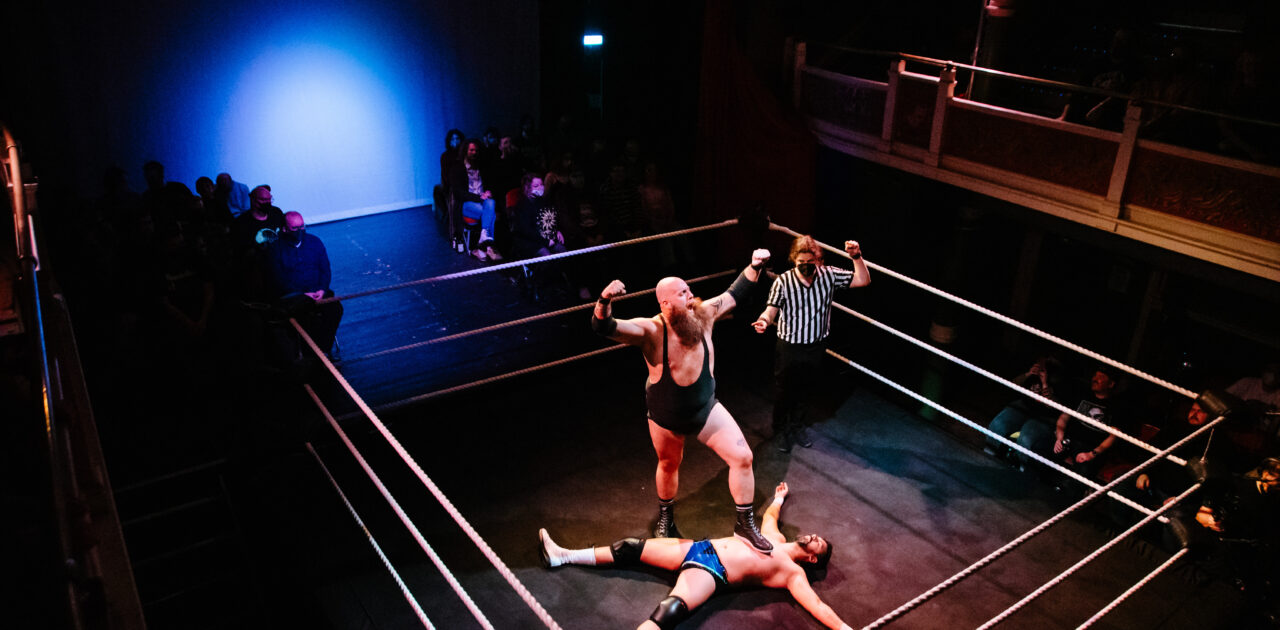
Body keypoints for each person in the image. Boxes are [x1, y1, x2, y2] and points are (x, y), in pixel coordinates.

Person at [592, 248, 775, 552]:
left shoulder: (704, 314)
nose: (690, 296)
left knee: (743, 457)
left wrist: (755, 265)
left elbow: (734, 294)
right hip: (665, 414)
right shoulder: (651, 330)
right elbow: (604, 327)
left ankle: (744, 525)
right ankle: (666, 517)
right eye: (682, 293)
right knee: (668, 464)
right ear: (665, 303)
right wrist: (604, 300)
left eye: (689, 289)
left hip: (705, 409)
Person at [539, 482, 849, 630]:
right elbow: (770, 514)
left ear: (812, 560)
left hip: (713, 571)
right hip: (698, 547)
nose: (815, 537)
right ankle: (563, 556)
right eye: (818, 536)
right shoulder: (774, 536)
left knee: (669, 611)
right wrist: (779, 498)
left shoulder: (792, 574)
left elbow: (818, 606)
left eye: (819, 544)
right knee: (630, 547)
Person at [753, 236, 870, 451]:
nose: (806, 267)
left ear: (819, 261)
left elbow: (863, 280)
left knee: (806, 388)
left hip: (816, 344)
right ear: (794, 261)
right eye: (801, 263)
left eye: (810, 262)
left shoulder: (828, 275)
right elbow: (771, 309)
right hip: (789, 344)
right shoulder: (784, 281)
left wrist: (856, 257)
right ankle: (780, 428)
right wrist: (763, 321)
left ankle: (797, 426)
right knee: (784, 390)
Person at [263, 211, 343, 356]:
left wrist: (322, 290)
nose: (300, 231)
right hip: (293, 297)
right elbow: (277, 279)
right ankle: (311, 353)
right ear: (285, 229)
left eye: (302, 226)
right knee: (304, 311)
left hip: (318, 293)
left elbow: (325, 269)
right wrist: (303, 294)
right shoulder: (275, 249)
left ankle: (324, 349)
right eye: (295, 228)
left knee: (335, 309)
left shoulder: (314, 242)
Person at [1052, 366, 1132, 483]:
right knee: (1042, 449)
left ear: (1110, 384)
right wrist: (1059, 438)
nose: (1095, 379)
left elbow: (1113, 436)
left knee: (1083, 471)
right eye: (1095, 375)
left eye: (1101, 377)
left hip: (1091, 447)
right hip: (1070, 440)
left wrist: (1092, 454)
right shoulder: (1082, 394)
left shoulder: (1116, 406)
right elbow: (1063, 418)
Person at [985, 356, 1064, 465]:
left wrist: (1045, 382)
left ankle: (1020, 468)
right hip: (1025, 405)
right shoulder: (1033, 373)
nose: (1040, 366)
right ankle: (988, 455)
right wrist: (1027, 374)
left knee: (1026, 438)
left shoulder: (1058, 380)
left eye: (1044, 365)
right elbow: (1012, 384)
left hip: (1044, 415)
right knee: (998, 424)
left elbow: (1054, 406)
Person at [448, 139, 502, 261]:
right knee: (489, 212)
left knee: (491, 202)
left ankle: (481, 244)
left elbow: (492, 183)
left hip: (483, 202)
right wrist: (478, 197)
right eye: (471, 150)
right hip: (466, 204)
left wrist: (489, 191)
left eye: (476, 150)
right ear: (465, 151)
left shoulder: (482, 167)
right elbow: (458, 193)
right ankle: (487, 247)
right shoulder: (457, 168)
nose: (474, 153)